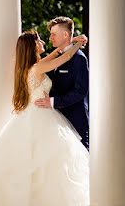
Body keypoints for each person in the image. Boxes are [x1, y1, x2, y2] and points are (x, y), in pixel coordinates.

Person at [0, 31, 90, 206]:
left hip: (32, 118)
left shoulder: (31, 67)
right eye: (38, 41)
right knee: (47, 171)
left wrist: (71, 43)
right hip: (41, 119)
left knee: (40, 173)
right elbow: (65, 58)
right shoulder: (37, 68)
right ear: (33, 47)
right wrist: (77, 45)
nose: (43, 42)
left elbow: (55, 54)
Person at [35, 16, 89, 150]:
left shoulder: (79, 59)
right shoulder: (55, 57)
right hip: (56, 122)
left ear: (65, 34)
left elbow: (80, 91)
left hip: (75, 121)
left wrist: (53, 102)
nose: (50, 38)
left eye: (53, 34)